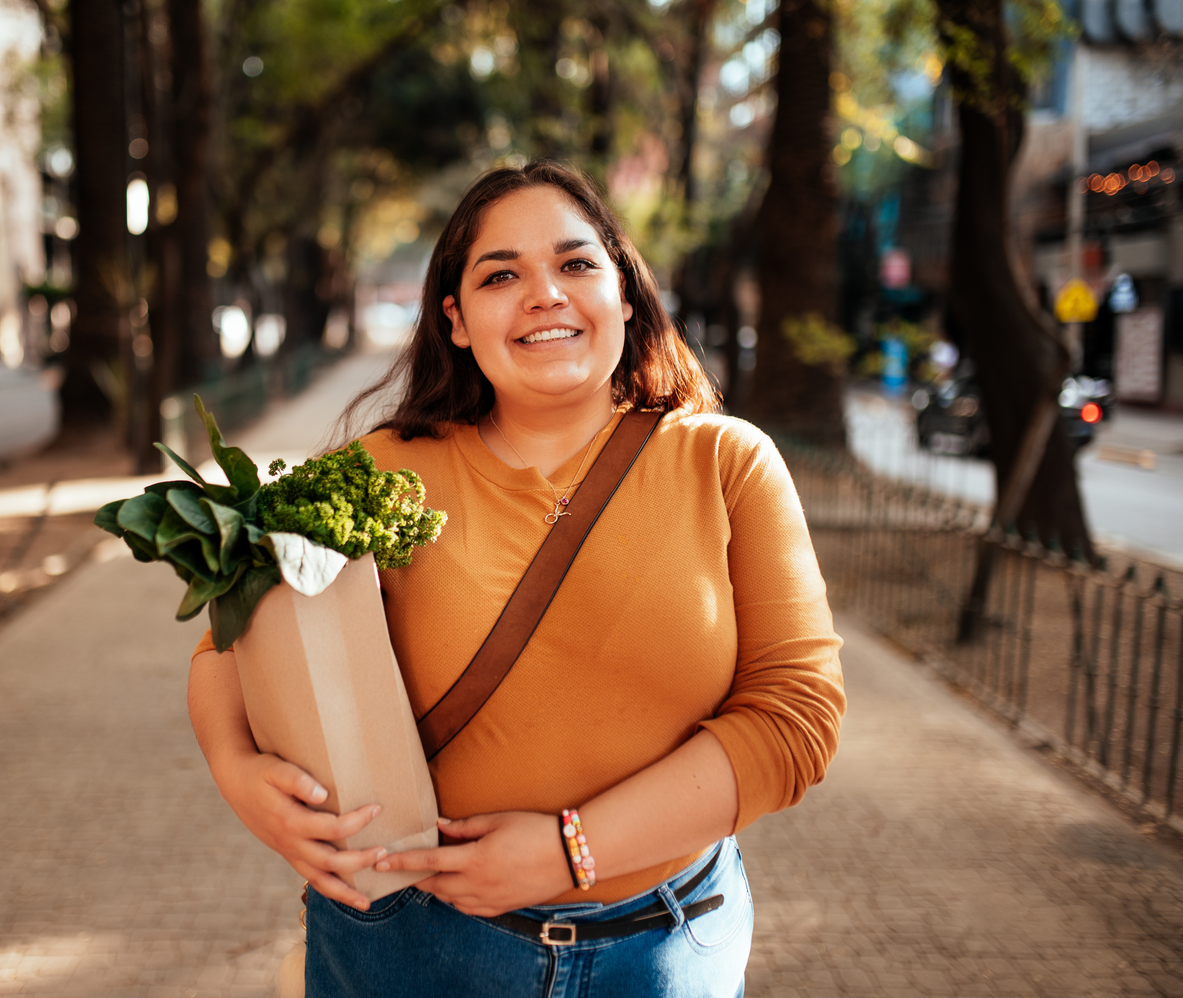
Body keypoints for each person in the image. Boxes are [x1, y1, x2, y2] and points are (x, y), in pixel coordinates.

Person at [188, 161, 846, 997]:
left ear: (626, 296)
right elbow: (229, 641)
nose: (545, 295)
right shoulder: (373, 472)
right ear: (456, 320)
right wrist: (239, 776)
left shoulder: (726, 463)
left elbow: (797, 719)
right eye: (502, 275)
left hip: (663, 947)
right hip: (410, 943)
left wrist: (574, 848)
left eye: (576, 265)